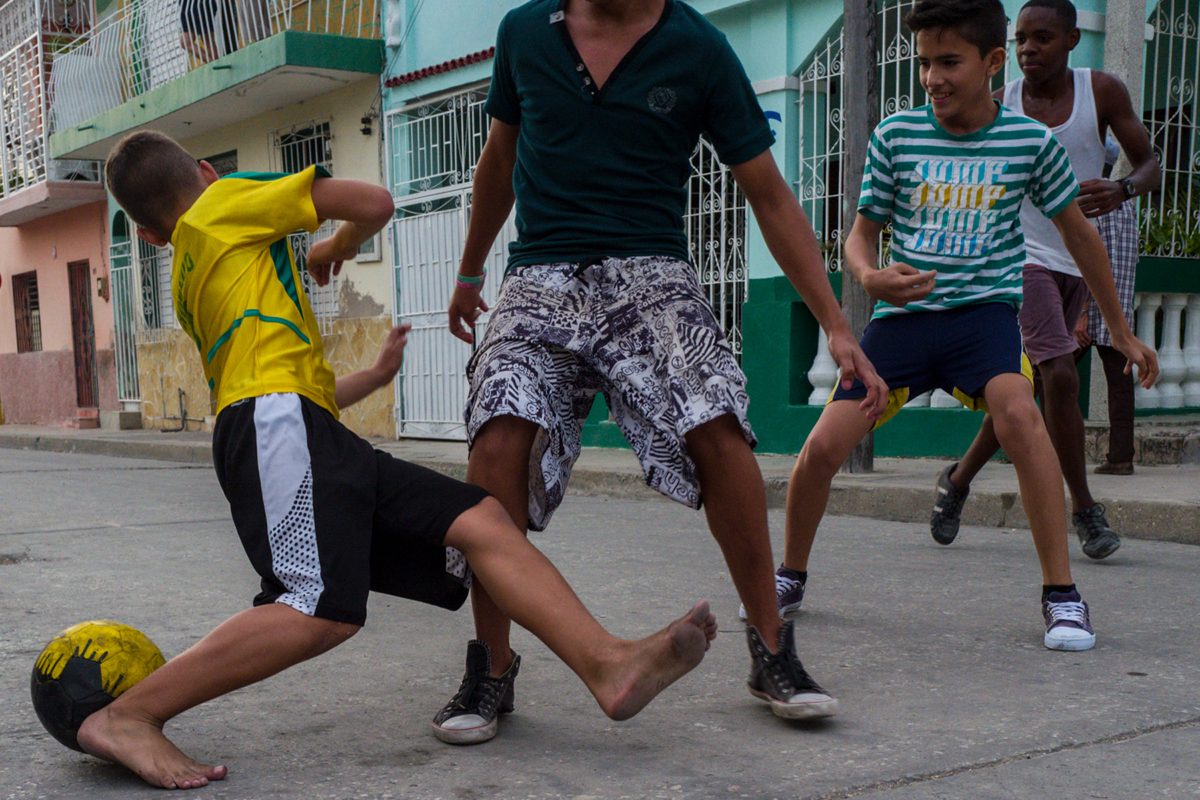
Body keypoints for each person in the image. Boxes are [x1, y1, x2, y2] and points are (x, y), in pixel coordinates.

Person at [80, 129, 718, 790]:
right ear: (209, 173)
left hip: (297, 426)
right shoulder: (225, 201)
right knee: (314, 608)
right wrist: (337, 244)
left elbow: (298, 390)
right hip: (277, 426)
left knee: (483, 522)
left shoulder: (191, 268)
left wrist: (373, 378)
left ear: (151, 237)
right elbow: (373, 202)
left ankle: (606, 664)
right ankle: (130, 715)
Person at [441, 0, 887, 742]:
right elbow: (500, 159)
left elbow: (769, 193)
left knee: (717, 425)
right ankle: (490, 666)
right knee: (497, 435)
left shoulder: (698, 47)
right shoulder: (524, 32)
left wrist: (837, 325)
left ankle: (772, 650)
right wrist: (467, 272)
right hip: (540, 275)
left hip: (652, 273)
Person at [777, 0, 1158, 654]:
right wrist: (870, 279)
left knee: (1021, 416)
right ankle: (789, 576)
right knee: (817, 451)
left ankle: (1062, 595)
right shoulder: (897, 136)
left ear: (991, 62)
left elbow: (1080, 237)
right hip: (902, 326)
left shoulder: (1028, 142)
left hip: (983, 319)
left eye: (948, 62)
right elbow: (858, 239)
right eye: (924, 63)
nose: (932, 78)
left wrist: (1117, 330)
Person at [928, 0, 1160, 556]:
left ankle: (956, 482)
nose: (1030, 49)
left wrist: (1124, 188)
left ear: (1073, 40)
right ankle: (1085, 510)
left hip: (1079, 261)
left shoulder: (1100, 92)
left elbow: (1151, 161)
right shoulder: (1000, 102)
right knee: (1057, 375)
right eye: (1022, 39)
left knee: (1026, 391)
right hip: (1018, 259)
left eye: (1043, 38)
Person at [1075, 136, 1142, 476]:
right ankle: (1121, 458)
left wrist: (1082, 313)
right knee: (1120, 386)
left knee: (1048, 377)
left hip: (1087, 308)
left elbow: (1085, 260)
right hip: (1119, 313)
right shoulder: (1125, 203)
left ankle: (1031, 447)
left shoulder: (1087, 202)